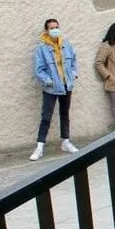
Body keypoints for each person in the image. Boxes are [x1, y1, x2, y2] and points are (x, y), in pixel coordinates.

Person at [30, 19, 79, 161]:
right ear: (46, 30)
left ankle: (66, 141)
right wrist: (48, 81)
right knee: (46, 117)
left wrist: (73, 74)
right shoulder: (42, 48)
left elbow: (73, 61)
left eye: (56, 27)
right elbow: (39, 69)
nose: (55, 30)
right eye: (51, 28)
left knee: (65, 115)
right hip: (51, 88)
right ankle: (39, 146)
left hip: (66, 86)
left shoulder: (66, 44)